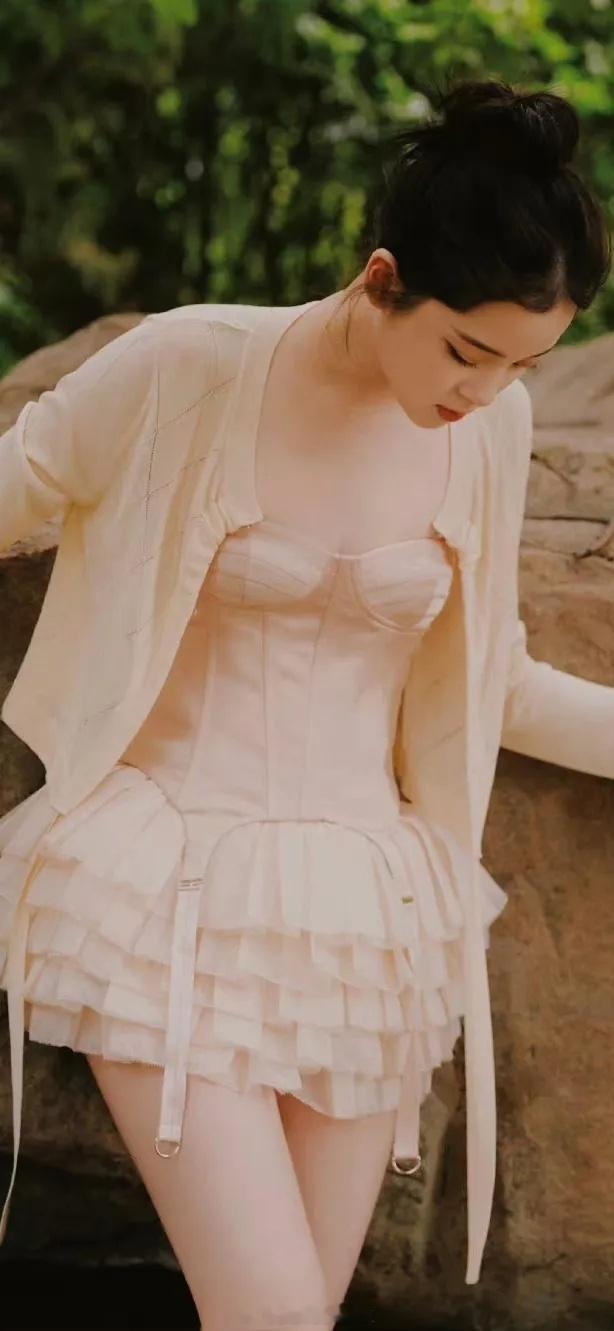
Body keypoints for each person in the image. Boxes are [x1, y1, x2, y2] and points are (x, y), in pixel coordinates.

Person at [0, 76, 611, 1329]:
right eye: (466, 351)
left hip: (365, 917)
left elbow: (492, 679)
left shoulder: (487, 431)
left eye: (524, 365)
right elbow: (18, 490)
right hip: (161, 888)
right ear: (382, 279)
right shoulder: (188, 363)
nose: (485, 391)